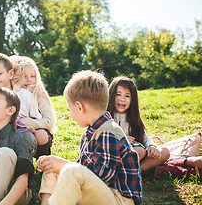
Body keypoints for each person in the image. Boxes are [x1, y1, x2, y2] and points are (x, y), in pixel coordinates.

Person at [37, 70, 142, 205]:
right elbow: (83, 171)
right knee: (52, 167)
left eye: (70, 108)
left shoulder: (108, 133)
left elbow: (102, 178)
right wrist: (57, 165)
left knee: (69, 169)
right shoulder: (89, 133)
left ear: (79, 107)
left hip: (119, 200)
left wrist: (64, 165)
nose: (71, 114)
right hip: (99, 194)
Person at [108, 76, 170, 171]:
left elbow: (145, 137)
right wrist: (121, 143)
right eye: (118, 94)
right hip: (114, 155)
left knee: (164, 152)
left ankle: (137, 171)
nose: (122, 99)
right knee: (138, 151)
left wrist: (151, 146)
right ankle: (119, 172)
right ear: (111, 95)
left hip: (135, 157)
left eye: (127, 96)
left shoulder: (133, 118)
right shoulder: (106, 118)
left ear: (133, 99)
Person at [10, 55, 56, 158]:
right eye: (24, 76)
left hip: (38, 130)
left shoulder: (39, 92)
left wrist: (27, 123)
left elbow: (49, 121)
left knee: (41, 135)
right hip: (16, 130)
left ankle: (44, 163)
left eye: (33, 76)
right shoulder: (12, 93)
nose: (29, 80)